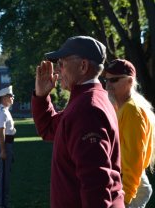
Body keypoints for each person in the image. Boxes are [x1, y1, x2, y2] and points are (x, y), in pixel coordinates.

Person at [31, 36, 124, 207]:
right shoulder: (86, 100)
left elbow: (96, 183)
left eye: (62, 62)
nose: (58, 70)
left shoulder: (86, 108)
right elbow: (48, 129)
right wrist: (41, 97)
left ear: (83, 66)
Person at [104, 59, 155, 207]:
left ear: (130, 81)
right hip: (130, 184)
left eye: (114, 80)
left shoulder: (131, 110)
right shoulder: (122, 106)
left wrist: (124, 200)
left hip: (130, 188)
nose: (108, 84)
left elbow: (134, 160)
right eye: (106, 79)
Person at [0, 85, 16, 208]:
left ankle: (4, 202)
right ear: (3, 98)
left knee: (6, 174)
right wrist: (3, 150)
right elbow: (1, 132)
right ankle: (1, 203)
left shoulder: (5, 111)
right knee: (3, 176)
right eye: (10, 96)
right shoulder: (2, 112)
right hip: (5, 144)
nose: (12, 98)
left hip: (8, 144)